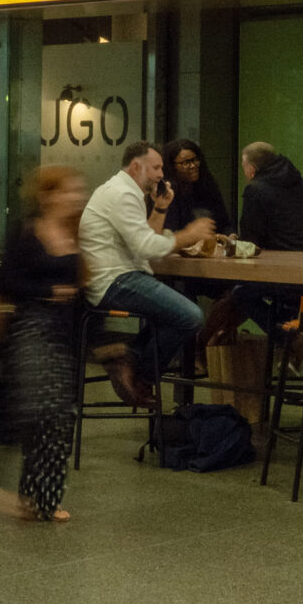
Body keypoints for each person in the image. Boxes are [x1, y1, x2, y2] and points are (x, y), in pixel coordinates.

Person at [0, 165, 87, 523]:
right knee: (40, 413)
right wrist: (48, 292)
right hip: (30, 330)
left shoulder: (77, 233)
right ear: (47, 196)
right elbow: (3, 281)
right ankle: (29, 495)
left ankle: (46, 499)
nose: (76, 197)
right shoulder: (27, 233)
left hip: (64, 334)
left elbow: (85, 286)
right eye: (68, 191)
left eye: (78, 191)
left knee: (61, 417)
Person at [79, 140, 213, 407]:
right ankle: (138, 372)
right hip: (114, 281)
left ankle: (125, 359)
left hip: (113, 278)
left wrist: (160, 207)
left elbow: (144, 240)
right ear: (136, 167)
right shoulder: (122, 194)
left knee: (172, 317)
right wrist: (189, 235)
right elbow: (147, 247)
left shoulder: (124, 192)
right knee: (190, 316)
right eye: (156, 167)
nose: (162, 174)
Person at [228, 141, 303, 362]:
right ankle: (288, 340)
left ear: (251, 169)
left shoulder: (255, 189)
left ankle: (288, 339)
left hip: (286, 277)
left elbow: (250, 243)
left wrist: (231, 243)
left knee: (240, 292)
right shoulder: (296, 181)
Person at [163, 139, 230, 234]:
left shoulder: (207, 184)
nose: (193, 166)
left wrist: (231, 236)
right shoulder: (168, 191)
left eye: (195, 160)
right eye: (185, 163)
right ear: (172, 166)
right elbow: (169, 231)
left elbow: (225, 222)